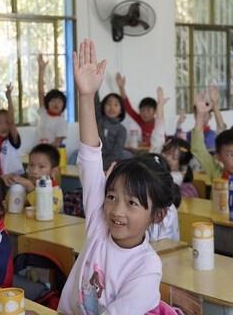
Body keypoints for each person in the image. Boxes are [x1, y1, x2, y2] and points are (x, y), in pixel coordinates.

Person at [59, 39, 176, 314]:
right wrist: (87, 97)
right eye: (111, 197)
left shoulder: (146, 267)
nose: (116, 210)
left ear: (157, 215)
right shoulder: (99, 226)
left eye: (132, 203)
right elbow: (89, 156)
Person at [5, 143, 64, 213]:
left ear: (53, 171)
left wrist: (31, 188)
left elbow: (47, 210)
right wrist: (13, 187)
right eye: (31, 165)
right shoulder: (24, 186)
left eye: (41, 167)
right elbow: (8, 205)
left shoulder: (55, 190)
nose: (34, 171)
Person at [176, 86, 227, 152]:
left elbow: (221, 127)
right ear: (194, 116)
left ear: (210, 116)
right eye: (198, 113)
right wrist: (179, 123)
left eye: (205, 114)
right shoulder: (188, 135)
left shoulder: (214, 135)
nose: (202, 116)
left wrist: (214, 104)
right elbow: (178, 141)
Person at [0, 84, 23, 176]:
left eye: (6, 123)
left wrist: (9, 99)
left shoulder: (12, 139)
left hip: (16, 178)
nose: (3, 126)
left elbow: (11, 120)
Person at [116, 72, 156, 146]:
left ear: (155, 111)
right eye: (142, 110)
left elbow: (163, 141)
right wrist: (121, 87)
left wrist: (147, 144)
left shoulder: (158, 124)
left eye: (148, 110)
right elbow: (128, 107)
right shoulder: (140, 119)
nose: (145, 113)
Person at [36, 53, 68, 147]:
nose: (56, 104)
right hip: (39, 150)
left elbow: (57, 143)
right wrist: (41, 70)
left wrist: (45, 153)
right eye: (53, 101)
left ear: (63, 105)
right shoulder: (44, 112)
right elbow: (40, 92)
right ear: (47, 103)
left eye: (59, 101)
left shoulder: (61, 121)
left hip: (51, 154)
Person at [95, 91, 128, 170]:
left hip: (113, 165)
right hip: (96, 161)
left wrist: (102, 166)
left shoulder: (121, 130)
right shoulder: (99, 121)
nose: (112, 108)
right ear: (103, 107)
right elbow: (95, 101)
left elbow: (116, 153)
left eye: (116, 105)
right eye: (108, 104)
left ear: (121, 110)